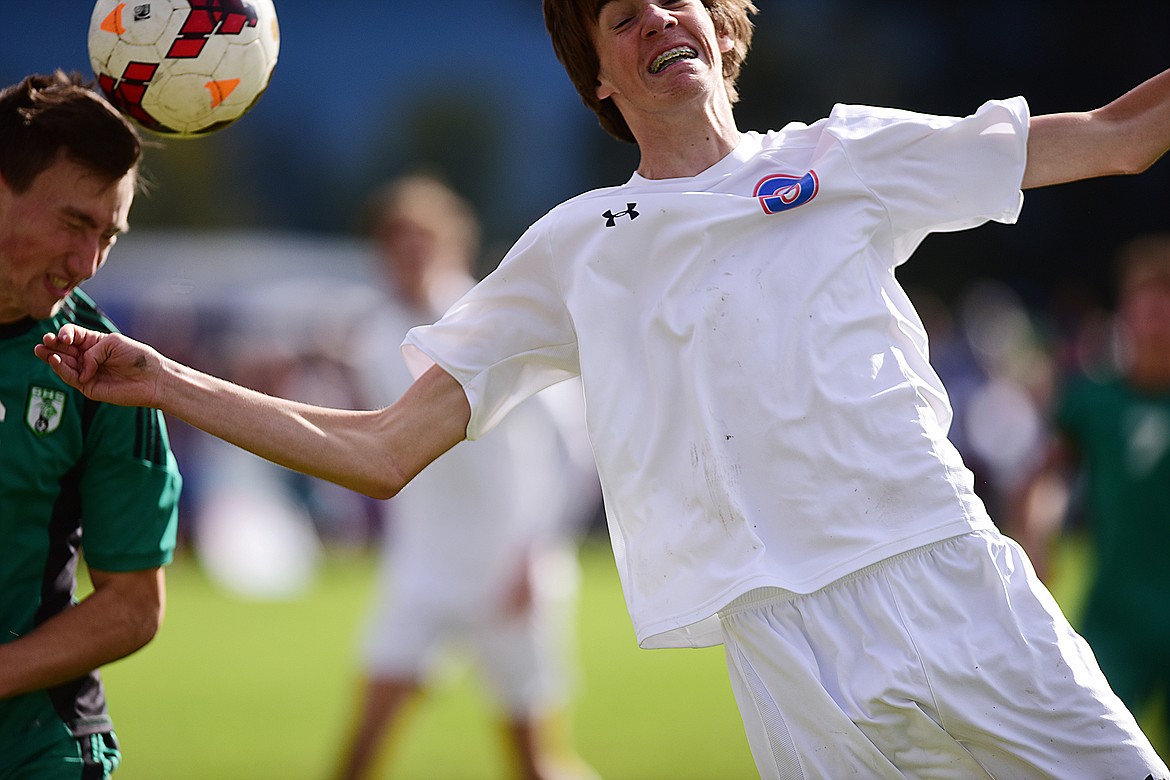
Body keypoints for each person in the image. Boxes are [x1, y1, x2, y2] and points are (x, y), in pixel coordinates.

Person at [35, 1, 1170, 775]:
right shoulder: (577, 246)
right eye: (620, 18)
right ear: (600, 74)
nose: (655, 21)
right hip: (781, 644)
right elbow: (383, 447)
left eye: (674, 1)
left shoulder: (850, 153)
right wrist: (168, 379)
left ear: (724, 34)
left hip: (950, 576)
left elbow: (1120, 137)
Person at [333, 173, 598, 780]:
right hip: (421, 571)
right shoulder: (373, 334)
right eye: (396, 239)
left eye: (423, 238)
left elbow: (569, 446)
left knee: (534, 763)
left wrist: (537, 552)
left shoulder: (494, 318)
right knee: (360, 751)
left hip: (510, 571)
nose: (410, 252)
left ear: (454, 242)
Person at [0, 71, 181, 778]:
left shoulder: (102, 371)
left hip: (32, 748)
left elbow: (134, 604)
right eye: (74, 223)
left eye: (108, 235)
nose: (87, 264)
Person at [1015, 233, 1170, 754]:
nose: (1153, 325)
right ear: (1125, 315)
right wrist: (1038, 535)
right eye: (1143, 310)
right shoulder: (1094, 400)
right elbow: (1049, 477)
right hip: (1116, 615)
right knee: (1088, 753)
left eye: (1164, 311)